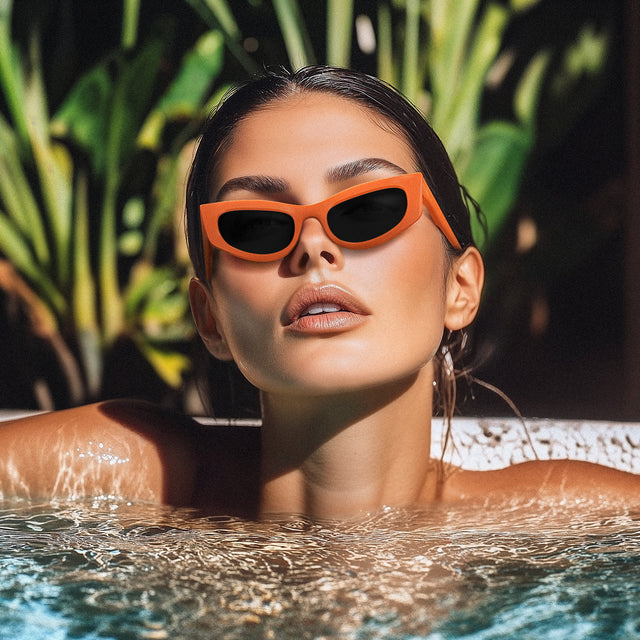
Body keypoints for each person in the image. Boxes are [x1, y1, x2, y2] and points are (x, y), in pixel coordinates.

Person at [0, 66, 638, 518]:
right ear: (210, 316)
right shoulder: (132, 477)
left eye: (366, 210)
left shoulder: (569, 525)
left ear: (461, 286)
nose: (312, 247)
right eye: (256, 225)